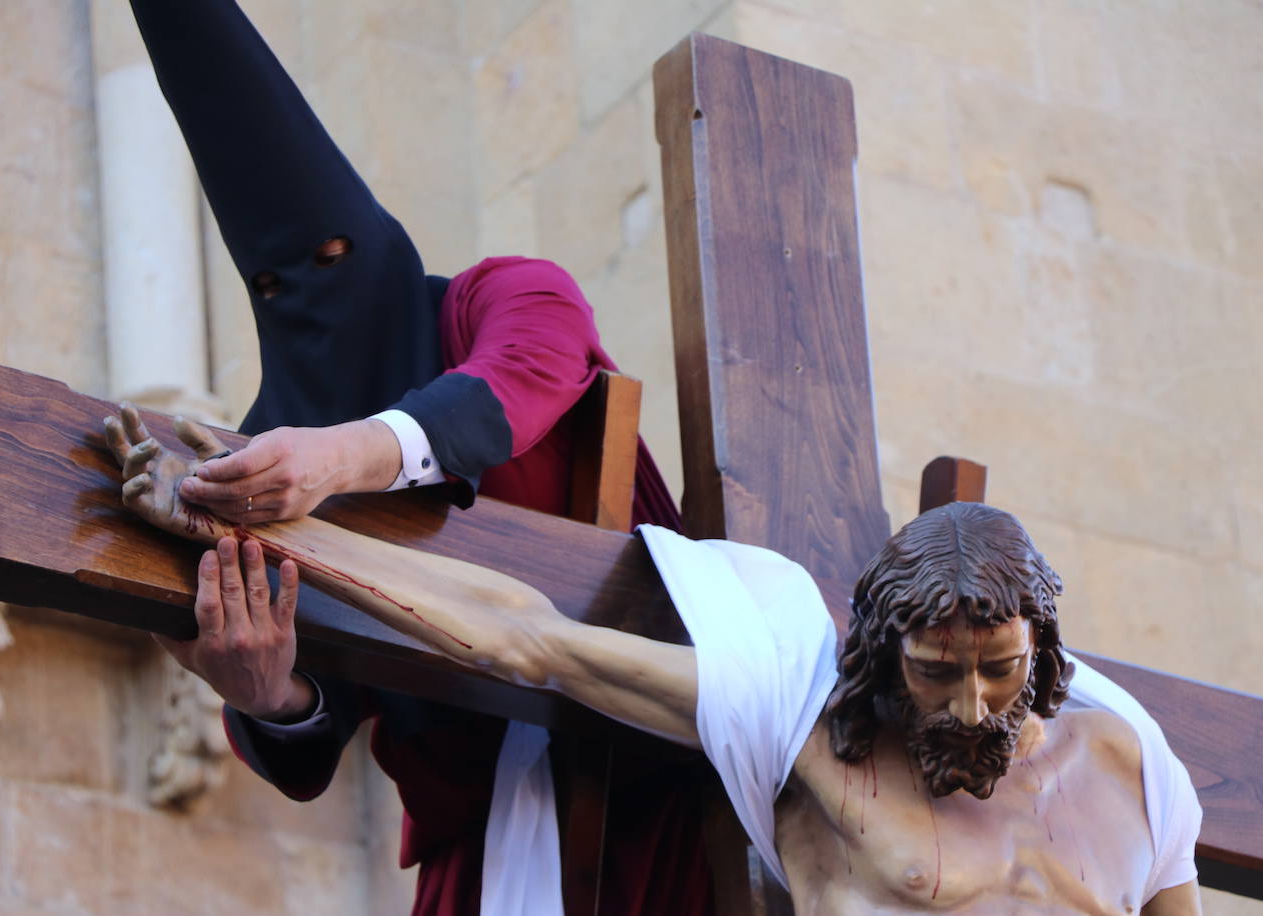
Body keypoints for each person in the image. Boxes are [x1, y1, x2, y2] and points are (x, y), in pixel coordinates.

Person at [125, 1, 713, 913]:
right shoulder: (256, 456)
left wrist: (345, 456)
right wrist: (267, 692)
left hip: (673, 778)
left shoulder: (493, 300)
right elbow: (315, 715)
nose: (312, 295)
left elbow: (535, 364)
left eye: (334, 256)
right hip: (484, 852)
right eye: (277, 286)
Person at [101, 441, 1204, 916]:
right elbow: (522, 636)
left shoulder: (1133, 769)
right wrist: (270, 525)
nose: (970, 706)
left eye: (1002, 672)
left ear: (1045, 652)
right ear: (882, 655)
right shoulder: (806, 723)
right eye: (934, 674)